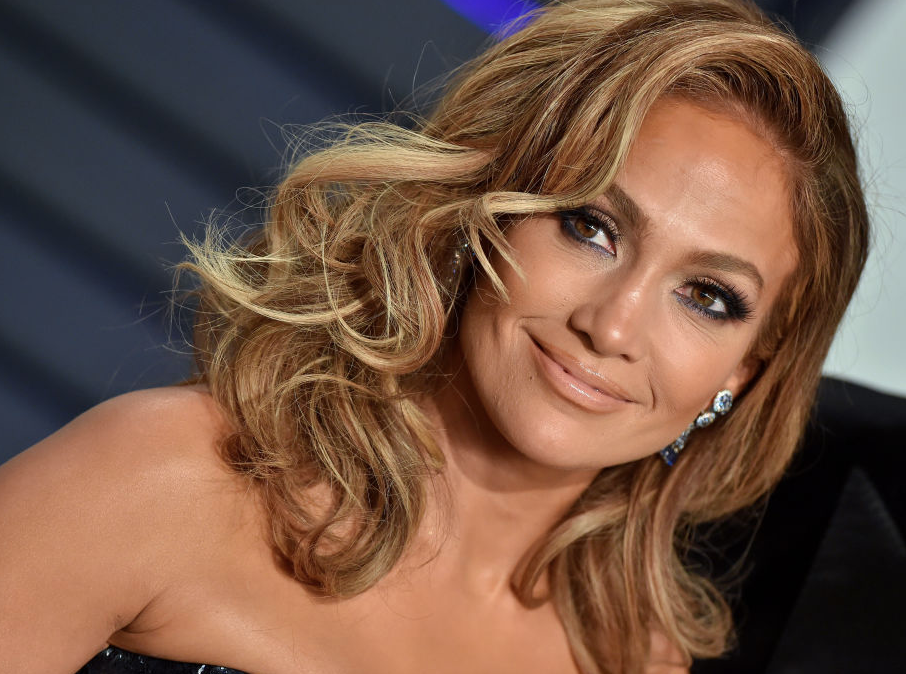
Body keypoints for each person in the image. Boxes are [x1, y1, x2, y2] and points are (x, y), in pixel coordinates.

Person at [0, 1, 868, 673]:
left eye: (708, 297)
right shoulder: (167, 481)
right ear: (480, 213)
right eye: (589, 227)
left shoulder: (634, 663)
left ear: (742, 375)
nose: (611, 326)